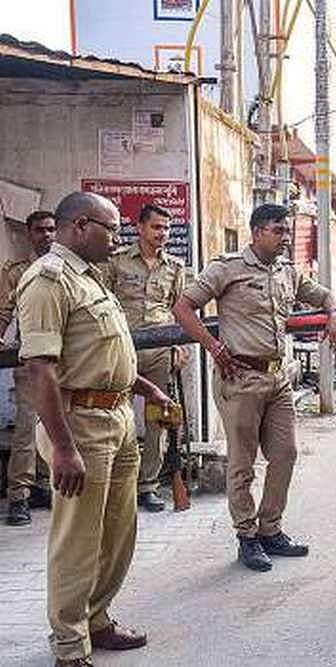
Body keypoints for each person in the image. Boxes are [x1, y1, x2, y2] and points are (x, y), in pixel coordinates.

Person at [18, 192, 175, 666]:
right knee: (78, 539)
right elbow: (41, 370)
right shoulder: (48, 281)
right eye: (112, 228)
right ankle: (69, 645)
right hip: (79, 426)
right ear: (81, 226)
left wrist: (145, 387)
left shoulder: (91, 278)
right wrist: (63, 450)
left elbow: (102, 352)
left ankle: (96, 618)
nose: (119, 238)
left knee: (117, 532)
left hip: (119, 417)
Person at [172, 203, 336, 572]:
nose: (285, 238)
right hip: (240, 379)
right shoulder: (227, 267)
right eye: (278, 230)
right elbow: (184, 308)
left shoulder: (287, 272)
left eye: (286, 231)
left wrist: (334, 314)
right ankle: (246, 537)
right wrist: (213, 346)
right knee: (242, 464)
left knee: (285, 454)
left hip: (278, 378)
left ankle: (271, 529)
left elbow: (324, 295)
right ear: (257, 232)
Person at [104, 204, 186, 513]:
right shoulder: (116, 262)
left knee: (157, 419)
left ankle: (148, 485)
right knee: (116, 414)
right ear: (140, 227)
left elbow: (181, 309)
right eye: (156, 227)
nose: (162, 234)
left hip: (160, 350)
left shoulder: (175, 267)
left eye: (166, 228)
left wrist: (181, 345)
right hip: (122, 349)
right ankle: (117, 483)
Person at [1, 210, 56, 526]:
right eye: (40, 230)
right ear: (29, 234)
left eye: (51, 229)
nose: (46, 235)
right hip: (31, 359)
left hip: (63, 359)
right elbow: (3, 312)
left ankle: (44, 485)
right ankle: (19, 496)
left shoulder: (67, 269)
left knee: (55, 425)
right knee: (26, 431)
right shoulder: (16, 272)